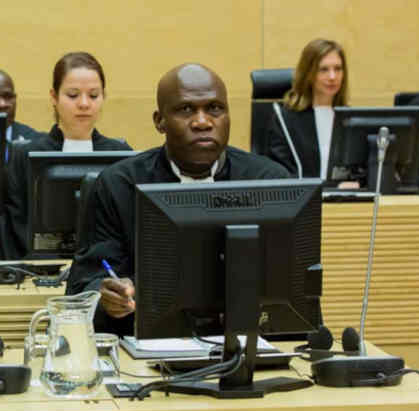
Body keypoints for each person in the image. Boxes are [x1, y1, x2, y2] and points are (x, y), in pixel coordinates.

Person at [65, 63, 290, 336]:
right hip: (144, 350)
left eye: (215, 109)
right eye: (186, 110)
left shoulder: (269, 182)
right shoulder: (117, 185)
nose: (203, 122)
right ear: (159, 121)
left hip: (251, 343)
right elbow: (85, 285)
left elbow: (293, 288)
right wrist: (107, 298)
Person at [0, 52, 132, 260]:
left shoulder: (123, 156)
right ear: (54, 97)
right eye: (73, 95)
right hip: (38, 274)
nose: (84, 104)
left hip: (104, 274)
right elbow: (13, 228)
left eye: (94, 95)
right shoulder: (23, 156)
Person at [266, 39, 348, 179]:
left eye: (338, 69)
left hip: (344, 198)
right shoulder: (285, 119)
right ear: (308, 73)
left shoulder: (349, 119)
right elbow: (279, 172)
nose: (333, 77)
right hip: (304, 199)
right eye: (324, 69)